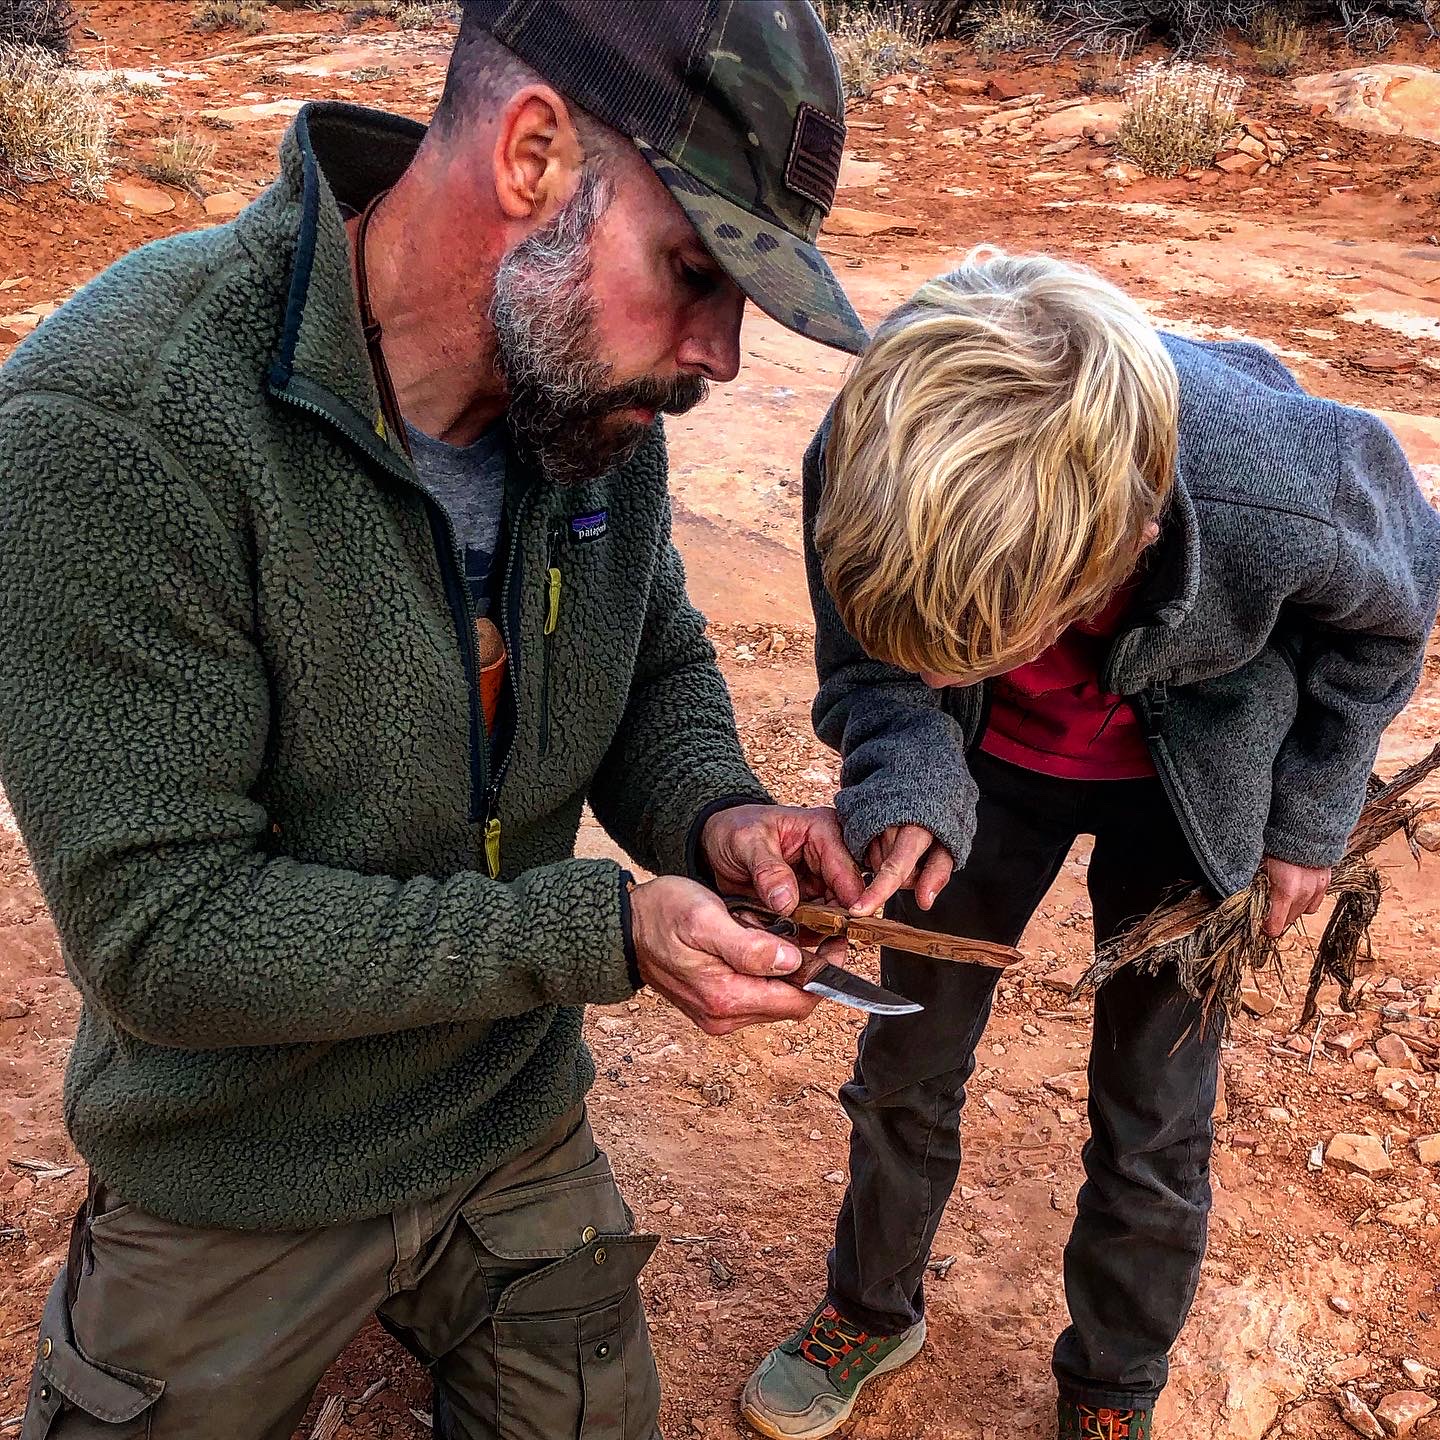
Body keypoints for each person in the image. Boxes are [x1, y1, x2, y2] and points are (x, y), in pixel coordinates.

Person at [0, 4, 872, 1437]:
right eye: (695, 272)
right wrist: (604, 932)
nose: (717, 356)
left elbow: (650, 663)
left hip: (505, 1112)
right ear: (533, 152)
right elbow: (162, 933)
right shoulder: (120, 422)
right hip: (237, 1163)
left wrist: (721, 815)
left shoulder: (586, 402)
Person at [741, 250, 1440, 1440]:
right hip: (983, 770)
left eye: (996, 633)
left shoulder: (1286, 482)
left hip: (1192, 787)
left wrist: (1306, 820)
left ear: (1130, 539)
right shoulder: (874, 451)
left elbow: (1395, 616)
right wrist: (909, 767)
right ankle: (871, 1307)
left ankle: (1112, 1387)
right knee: (907, 1063)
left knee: (1156, 1110)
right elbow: (873, 657)